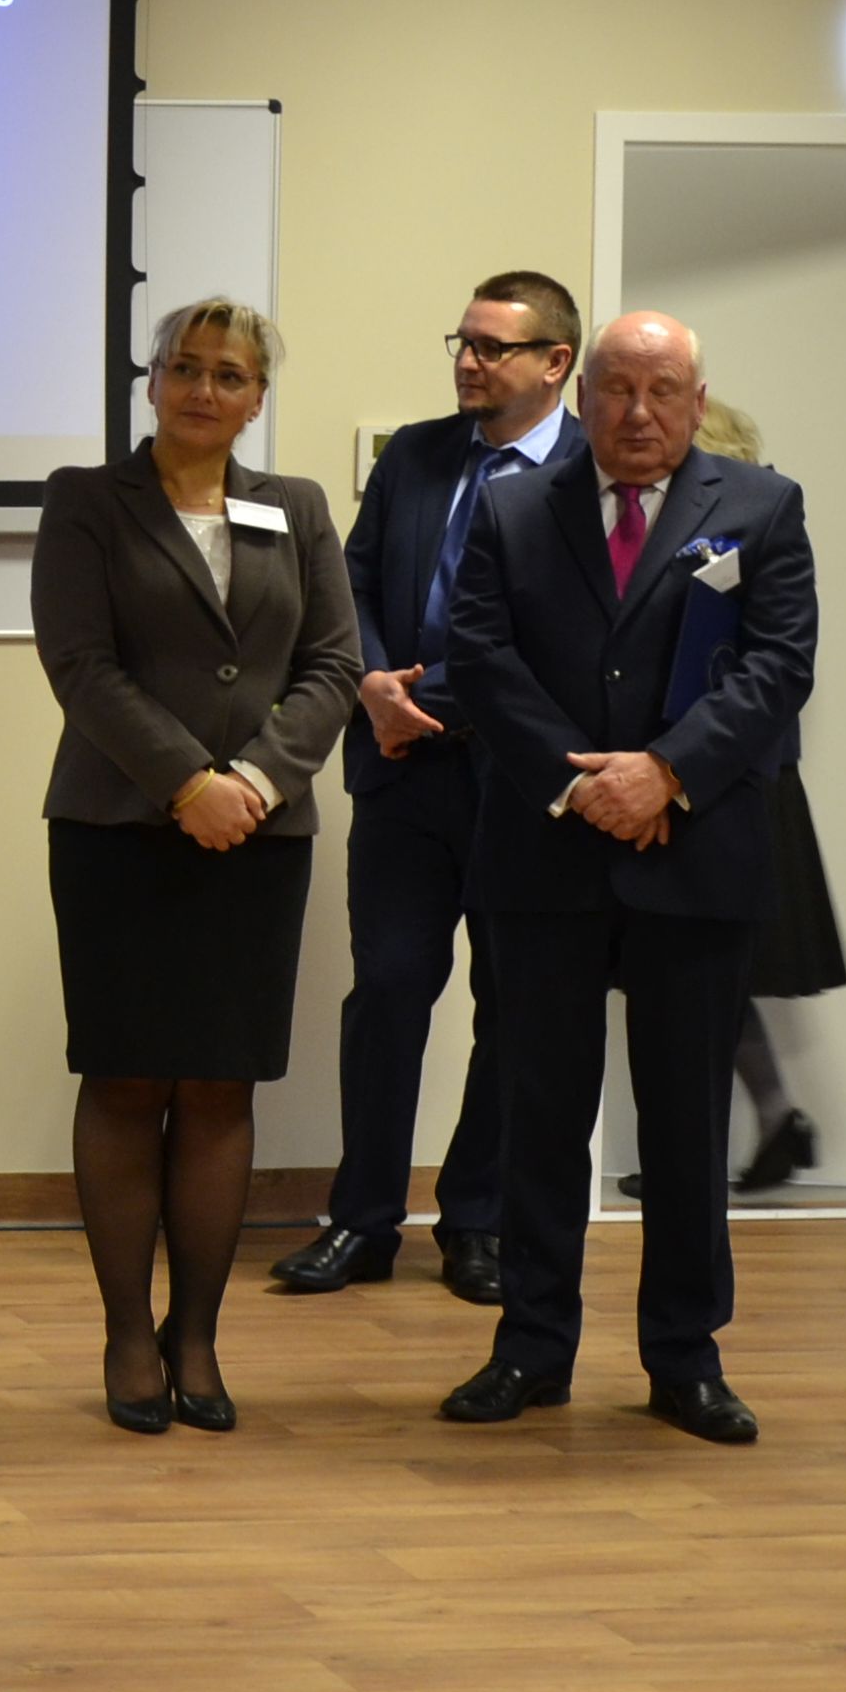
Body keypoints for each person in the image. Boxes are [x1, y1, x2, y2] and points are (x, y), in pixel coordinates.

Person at [436, 311, 816, 1447]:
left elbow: (777, 666)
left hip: (694, 859)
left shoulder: (762, 508)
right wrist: (586, 784)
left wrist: (665, 774)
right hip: (544, 857)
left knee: (689, 1125)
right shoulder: (510, 507)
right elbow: (481, 660)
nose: (637, 412)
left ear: (697, 402)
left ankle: (686, 1359)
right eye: (616, 388)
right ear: (582, 395)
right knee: (540, 1119)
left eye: (662, 390)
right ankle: (531, 1347)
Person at [31, 300, 357, 1435]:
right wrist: (187, 783)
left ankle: (199, 1337)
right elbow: (80, 663)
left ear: (257, 397)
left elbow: (334, 665)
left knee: (221, 1085)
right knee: (127, 1080)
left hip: (259, 839)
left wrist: (255, 783)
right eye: (184, 368)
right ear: (153, 380)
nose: (202, 389)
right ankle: (129, 1335)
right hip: (119, 828)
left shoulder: (296, 507)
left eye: (228, 374)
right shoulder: (87, 500)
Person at [272, 270, 587, 1304]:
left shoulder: (593, 474)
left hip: (523, 784)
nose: (469, 362)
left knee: (513, 1005)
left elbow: (576, 636)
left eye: (494, 347)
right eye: (463, 342)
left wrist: (452, 705)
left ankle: (478, 1222)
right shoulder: (415, 454)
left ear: (556, 362)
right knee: (391, 990)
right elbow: (353, 581)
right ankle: (362, 1220)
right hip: (403, 770)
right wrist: (369, 681)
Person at [687, 398, 846, 1194]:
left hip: (735, 775)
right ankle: (767, 1121)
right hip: (737, 771)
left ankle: (723, 1142)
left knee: (706, 972)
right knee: (706, 975)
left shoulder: (743, 532)